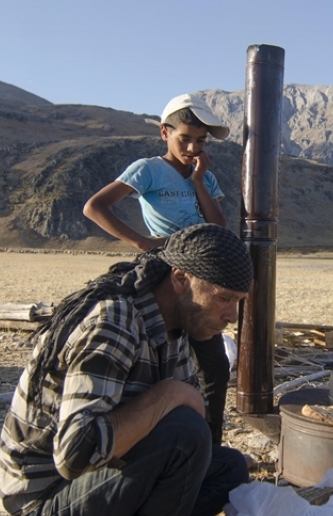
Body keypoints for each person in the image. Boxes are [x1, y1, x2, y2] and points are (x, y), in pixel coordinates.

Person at [0, 223, 253, 516]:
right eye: (223, 298)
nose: (231, 315)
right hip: (42, 509)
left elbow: (188, 429)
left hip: (94, 487)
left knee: (229, 470)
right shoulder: (114, 321)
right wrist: (167, 396)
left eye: (238, 303)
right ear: (181, 279)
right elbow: (75, 453)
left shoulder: (173, 324)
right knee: (183, 429)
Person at [84, 94, 233, 446]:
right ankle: (144, 442)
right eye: (185, 139)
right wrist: (141, 243)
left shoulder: (205, 177)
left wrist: (199, 182)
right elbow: (95, 207)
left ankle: (208, 447)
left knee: (213, 366)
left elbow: (220, 227)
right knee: (160, 361)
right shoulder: (148, 169)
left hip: (201, 276)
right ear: (164, 133)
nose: (194, 147)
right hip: (163, 273)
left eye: (201, 141)